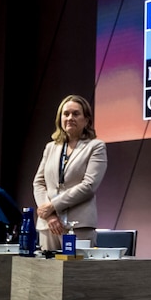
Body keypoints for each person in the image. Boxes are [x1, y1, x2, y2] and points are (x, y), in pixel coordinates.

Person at [33, 94, 107, 251]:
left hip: (79, 225)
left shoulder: (96, 147)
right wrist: (50, 215)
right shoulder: (50, 147)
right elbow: (38, 183)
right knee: (46, 273)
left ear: (86, 120)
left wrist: (53, 206)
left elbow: (89, 186)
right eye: (66, 114)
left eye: (76, 113)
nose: (70, 117)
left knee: (76, 275)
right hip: (49, 225)